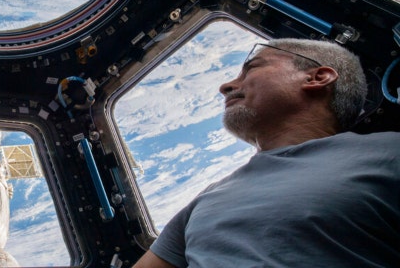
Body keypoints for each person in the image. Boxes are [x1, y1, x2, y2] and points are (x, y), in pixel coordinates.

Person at [133, 38, 400, 267]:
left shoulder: (389, 153)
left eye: (251, 68)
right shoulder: (204, 201)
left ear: (318, 77)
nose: (225, 86)